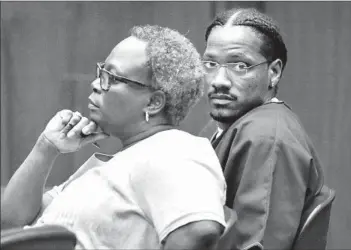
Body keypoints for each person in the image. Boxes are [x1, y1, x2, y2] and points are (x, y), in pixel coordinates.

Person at [1, 25, 227, 250]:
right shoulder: (116, 161)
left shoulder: (173, 151)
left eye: (112, 77)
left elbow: (199, 230)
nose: (96, 84)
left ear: (153, 102)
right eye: (102, 73)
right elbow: (11, 223)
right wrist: (46, 147)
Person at [200, 8, 325, 250]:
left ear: (274, 72)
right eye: (211, 63)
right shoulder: (232, 124)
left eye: (240, 66)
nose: (219, 80)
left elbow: (258, 243)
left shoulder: (267, 138)